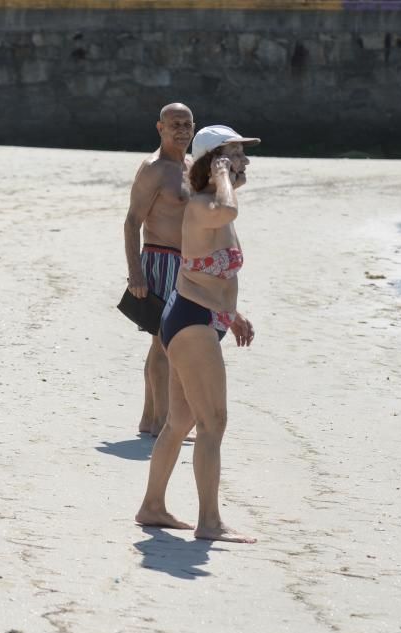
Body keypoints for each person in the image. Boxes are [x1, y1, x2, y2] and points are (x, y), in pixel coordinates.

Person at [136, 125, 258, 543]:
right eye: (236, 155)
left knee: (181, 421)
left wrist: (232, 312)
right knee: (213, 423)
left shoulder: (209, 203)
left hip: (201, 316)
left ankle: (152, 506)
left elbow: (202, 267)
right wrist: (222, 174)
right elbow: (227, 210)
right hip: (192, 323)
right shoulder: (207, 202)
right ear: (215, 162)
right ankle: (209, 521)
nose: (245, 163)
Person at [123, 103, 195, 436]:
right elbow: (132, 222)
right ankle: (162, 420)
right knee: (163, 342)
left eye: (187, 124)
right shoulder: (153, 168)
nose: (182, 129)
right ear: (160, 128)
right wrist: (135, 273)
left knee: (176, 343)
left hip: (189, 263)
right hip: (160, 259)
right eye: (175, 124)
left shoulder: (193, 166)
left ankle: (151, 419)